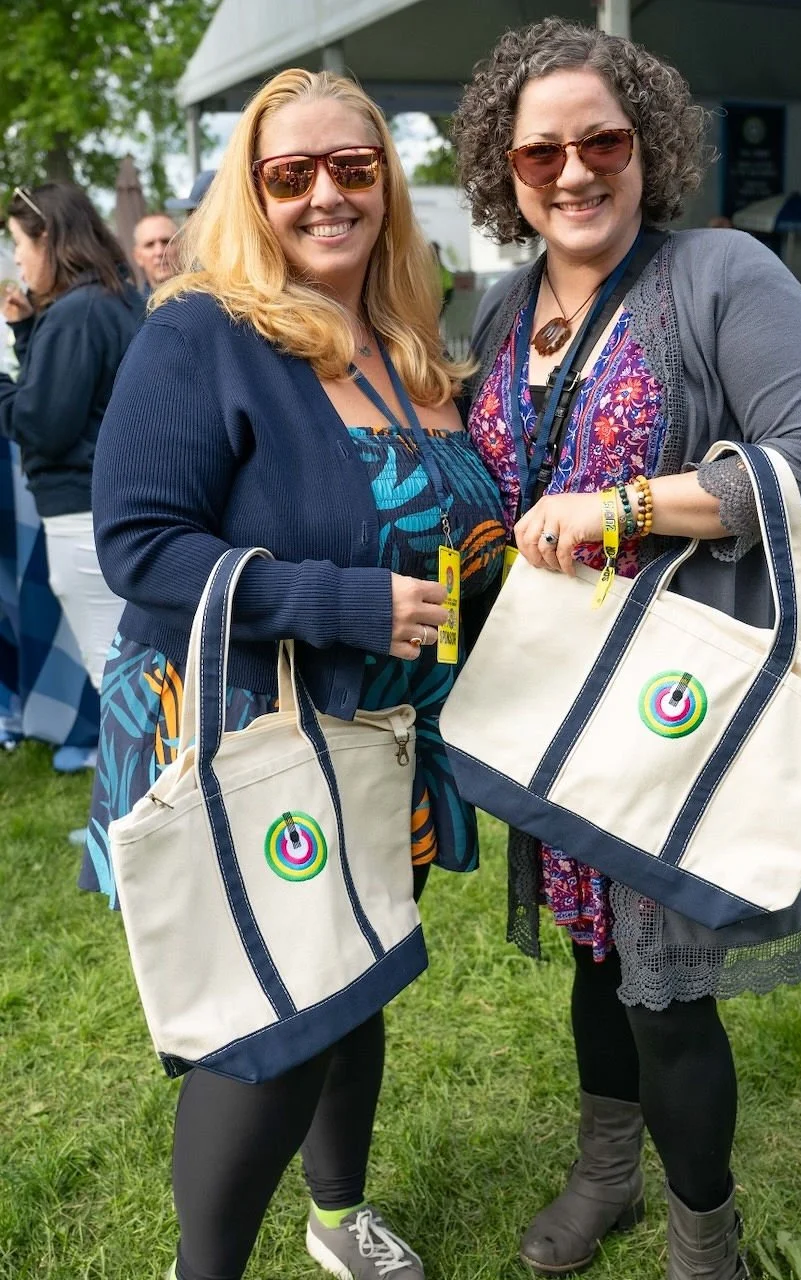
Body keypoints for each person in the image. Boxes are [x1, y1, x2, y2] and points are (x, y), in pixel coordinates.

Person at [81, 68, 505, 1280]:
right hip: (249, 730)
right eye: (291, 173)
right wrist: (341, 600)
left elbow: (441, 528)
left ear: (386, 181)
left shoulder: (401, 339)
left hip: (378, 739)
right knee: (268, 1017)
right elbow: (142, 546)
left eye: (353, 167)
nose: (327, 194)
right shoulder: (201, 329)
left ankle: (335, 1216)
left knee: (354, 976)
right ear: (252, 192)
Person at [453, 19, 801, 1280]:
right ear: (502, 174)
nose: (573, 173)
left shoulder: (720, 273)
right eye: (540, 155)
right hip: (552, 702)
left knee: (664, 990)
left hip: (668, 702)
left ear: (649, 145)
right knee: (593, 952)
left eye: (602, 141)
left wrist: (624, 506)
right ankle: (604, 1172)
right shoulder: (503, 308)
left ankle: (705, 1236)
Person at [0, 183, 143, 702]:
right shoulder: (119, 296)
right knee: (136, 674)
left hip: (82, 516)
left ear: (48, 239)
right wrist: (25, 329)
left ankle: (131, 784)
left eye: (18, 242)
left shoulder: (76, 313)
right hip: (119, 505)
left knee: (113, 679)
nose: (16, 256)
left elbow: (44, 426)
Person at [132, 211, 179, 297]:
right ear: (138, 256)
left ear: (181, 246)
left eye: (166, 242)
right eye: (150, 245)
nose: (159, 252)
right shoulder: (135, 308)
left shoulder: (206, 298)